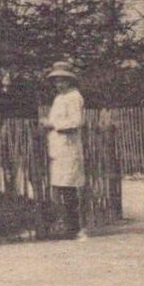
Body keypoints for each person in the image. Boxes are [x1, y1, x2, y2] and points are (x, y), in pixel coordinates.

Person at [40, 61, 87, 240]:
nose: (59, 84)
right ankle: (66, 225)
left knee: (69, 188)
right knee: (60, 186)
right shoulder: (59, 98)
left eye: (63, 80)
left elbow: (76, 122)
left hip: (68, 146)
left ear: (70, 81)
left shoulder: (75, 97)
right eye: (57, 81)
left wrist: (52, 124)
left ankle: (74, 228)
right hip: (57, 146)